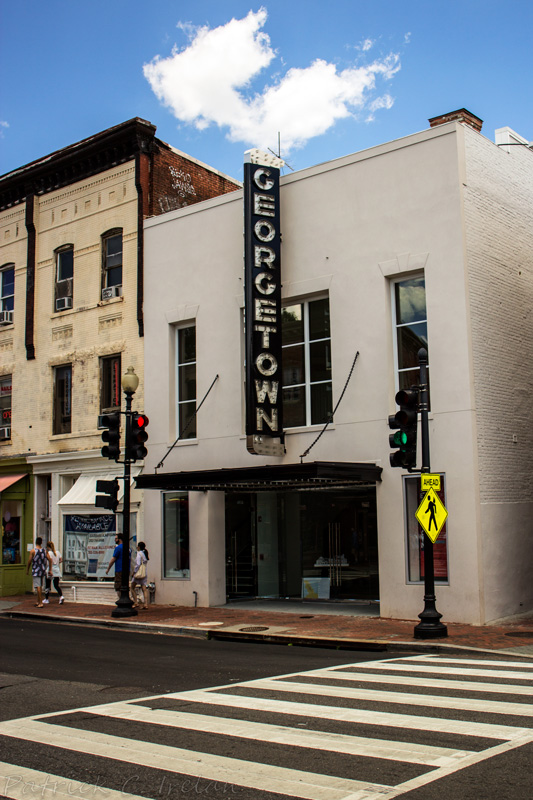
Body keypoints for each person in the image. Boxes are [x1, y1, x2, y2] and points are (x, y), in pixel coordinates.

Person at [26, 537, 53, 607]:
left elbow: (29, 561)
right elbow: (50, 559)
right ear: (41, 542)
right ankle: (38, 601)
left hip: (36, 570)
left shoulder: (33, 551)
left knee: (38, 586)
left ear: (35, 542)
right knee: (40, 586)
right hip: (42, 570)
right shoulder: (45, 550)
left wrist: (27, 569)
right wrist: (50, 569)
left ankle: (40, 602)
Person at [105, 534, 127, 598]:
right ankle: (124, 598)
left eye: (116, 538)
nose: (115, 540)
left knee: (118, 586)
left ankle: (121, 599)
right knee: (125, 585)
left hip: (119, 570)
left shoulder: (118, 548)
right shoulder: (128, 548)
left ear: (119, 539)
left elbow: (113, 559)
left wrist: (108, 569)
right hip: (126, 570)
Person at [131, 541, 149, 609]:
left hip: (138, 573)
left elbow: (138, 564)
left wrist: (134, 572)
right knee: (144, 588)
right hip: (144, 573)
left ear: (138, 547)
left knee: (132, 587)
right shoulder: (145, 554)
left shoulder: (139, 554)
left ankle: (136, 602)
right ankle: (146, 604)